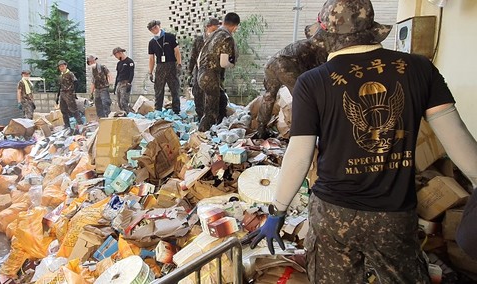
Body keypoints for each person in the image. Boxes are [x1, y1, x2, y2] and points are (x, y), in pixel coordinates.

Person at [248, 0, 477, 283]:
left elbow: (299, 155)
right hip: (394, 215)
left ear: (325, 36)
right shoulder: (419, 68)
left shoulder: (313, 81)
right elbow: (457, 140)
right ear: (372, 31)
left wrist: (278, 210)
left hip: (333, 215)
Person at [256, 24, 328, 138]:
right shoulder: (320, 48)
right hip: (285, 66)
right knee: (302, 100)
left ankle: (261, 129)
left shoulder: (306, 44)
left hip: (271, 64)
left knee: (269, 97)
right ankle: (300, 133)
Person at [196, 12, 240, 132]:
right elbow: (224, 63)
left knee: (221, 101)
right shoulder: (227, 37)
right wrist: (232, 64)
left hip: (201, 73)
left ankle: (220, 130)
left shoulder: (213, 33)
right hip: (211, 76)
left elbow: (199, 57)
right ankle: (200, 135)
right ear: (235, 26)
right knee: (211, 112)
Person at [188, 18, 221, 120]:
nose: (216, 31)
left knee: (212, 95)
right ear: (208, 27)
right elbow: (193, 56)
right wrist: (190, 72)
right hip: (199, 71)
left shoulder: (218, 41)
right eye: (214, 29)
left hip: (212, 71)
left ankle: (211, 117)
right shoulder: (199, 40)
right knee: (197, 93)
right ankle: (200, 116)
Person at [147, 20, 182, 114]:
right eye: (151, 29)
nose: (154, 30)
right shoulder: (152, 42)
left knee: (174, 88)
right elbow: (151, 58)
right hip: (160, 66)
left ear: (159, 26)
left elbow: (177, 51)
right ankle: (158, 110)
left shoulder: (170, 37)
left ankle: (176, 110)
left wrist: (179, 64)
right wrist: (150, 72)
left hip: (171, 64)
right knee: (158, 88)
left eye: (155, 27)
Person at [56, 60, 81, 132]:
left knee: (73, 109)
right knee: (63, 110)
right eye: (60, 66)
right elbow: (60, 86)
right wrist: (57, 97)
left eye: (63, 66)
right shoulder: (61, 75)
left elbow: (76, 82)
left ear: (66, 66)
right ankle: (67, 125)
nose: (61, 67)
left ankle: (80, 124)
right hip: (62, 94)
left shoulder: (70, 74)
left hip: (69, 94)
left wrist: (74, 92)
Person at [112, 47, 135, 113]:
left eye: (116, 55)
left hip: (126, 82)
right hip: (119, 82)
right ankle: (123, 115)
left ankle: (130, 114)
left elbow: (131, 73)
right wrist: (115, 86)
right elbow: (118, 74)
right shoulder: (119, 63)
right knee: (119, 102)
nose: (116, 57)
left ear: (120, 53)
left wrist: (129, 83)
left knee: (123, 102)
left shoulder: (129, 61)